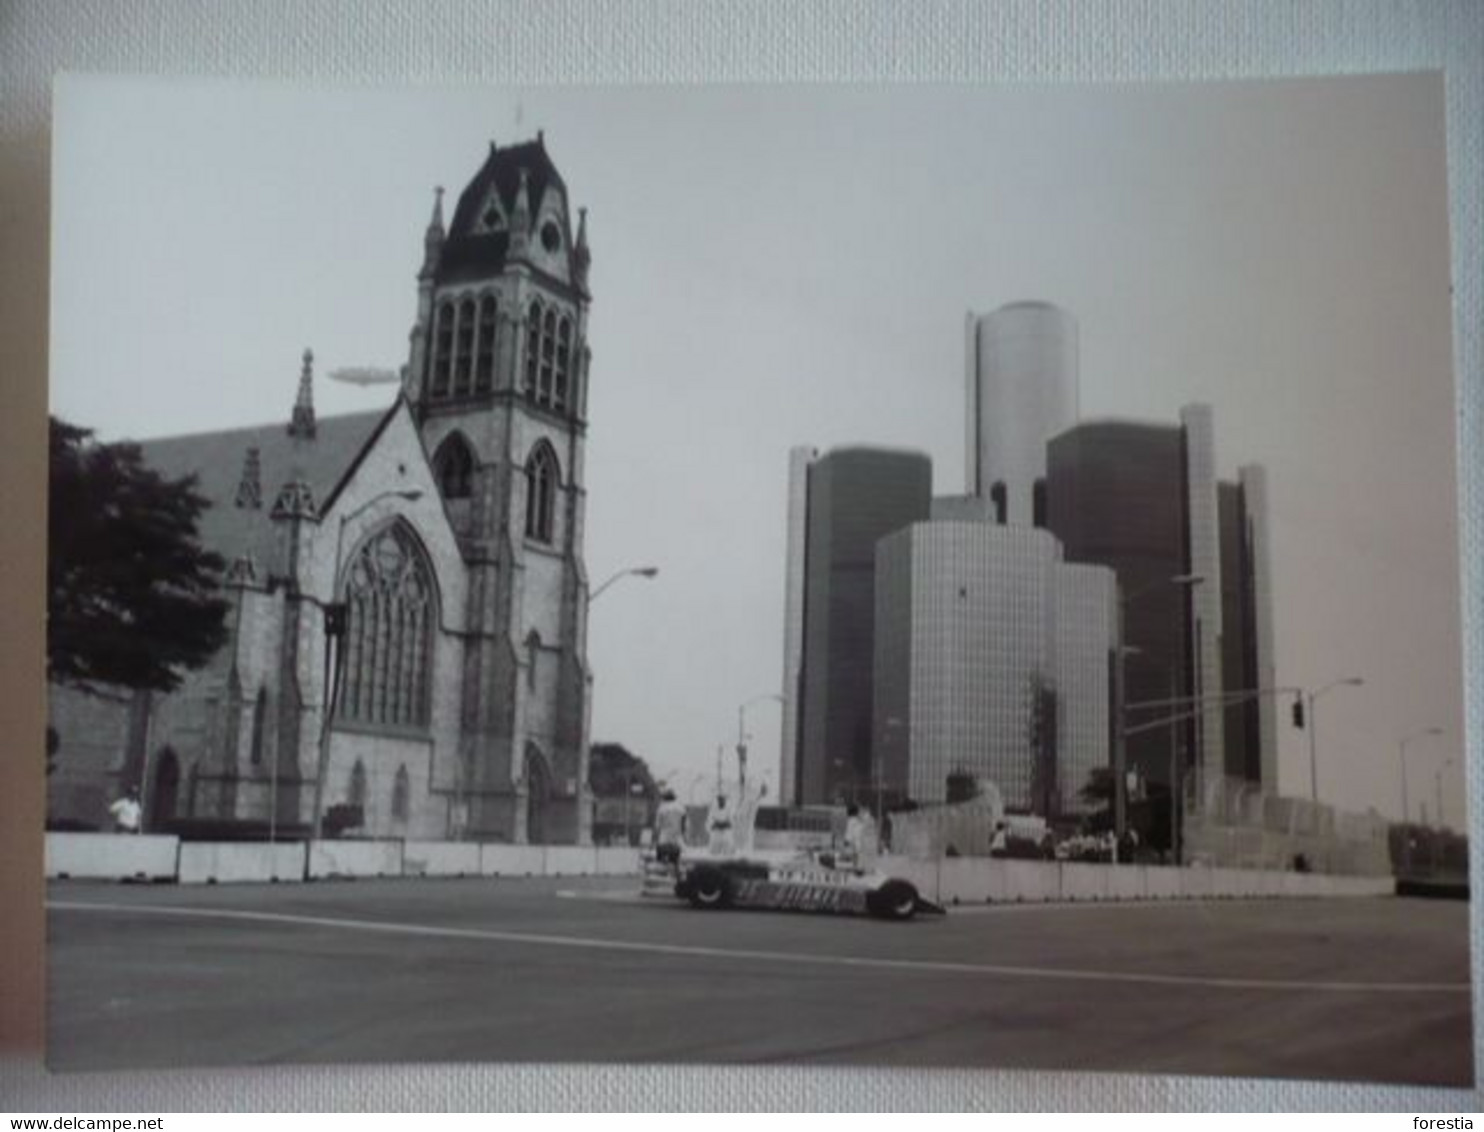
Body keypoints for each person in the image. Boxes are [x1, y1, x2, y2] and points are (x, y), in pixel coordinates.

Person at [653, 789, 687, 870]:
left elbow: (658, 825)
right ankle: (677, 870)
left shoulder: (661, 808)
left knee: (661, 857)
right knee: (680, 857)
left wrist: (655, 837)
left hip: (665, 836)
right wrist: (683, 834)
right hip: (677, 836)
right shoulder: (680, 807)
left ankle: (662, 871)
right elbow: (683, 823)